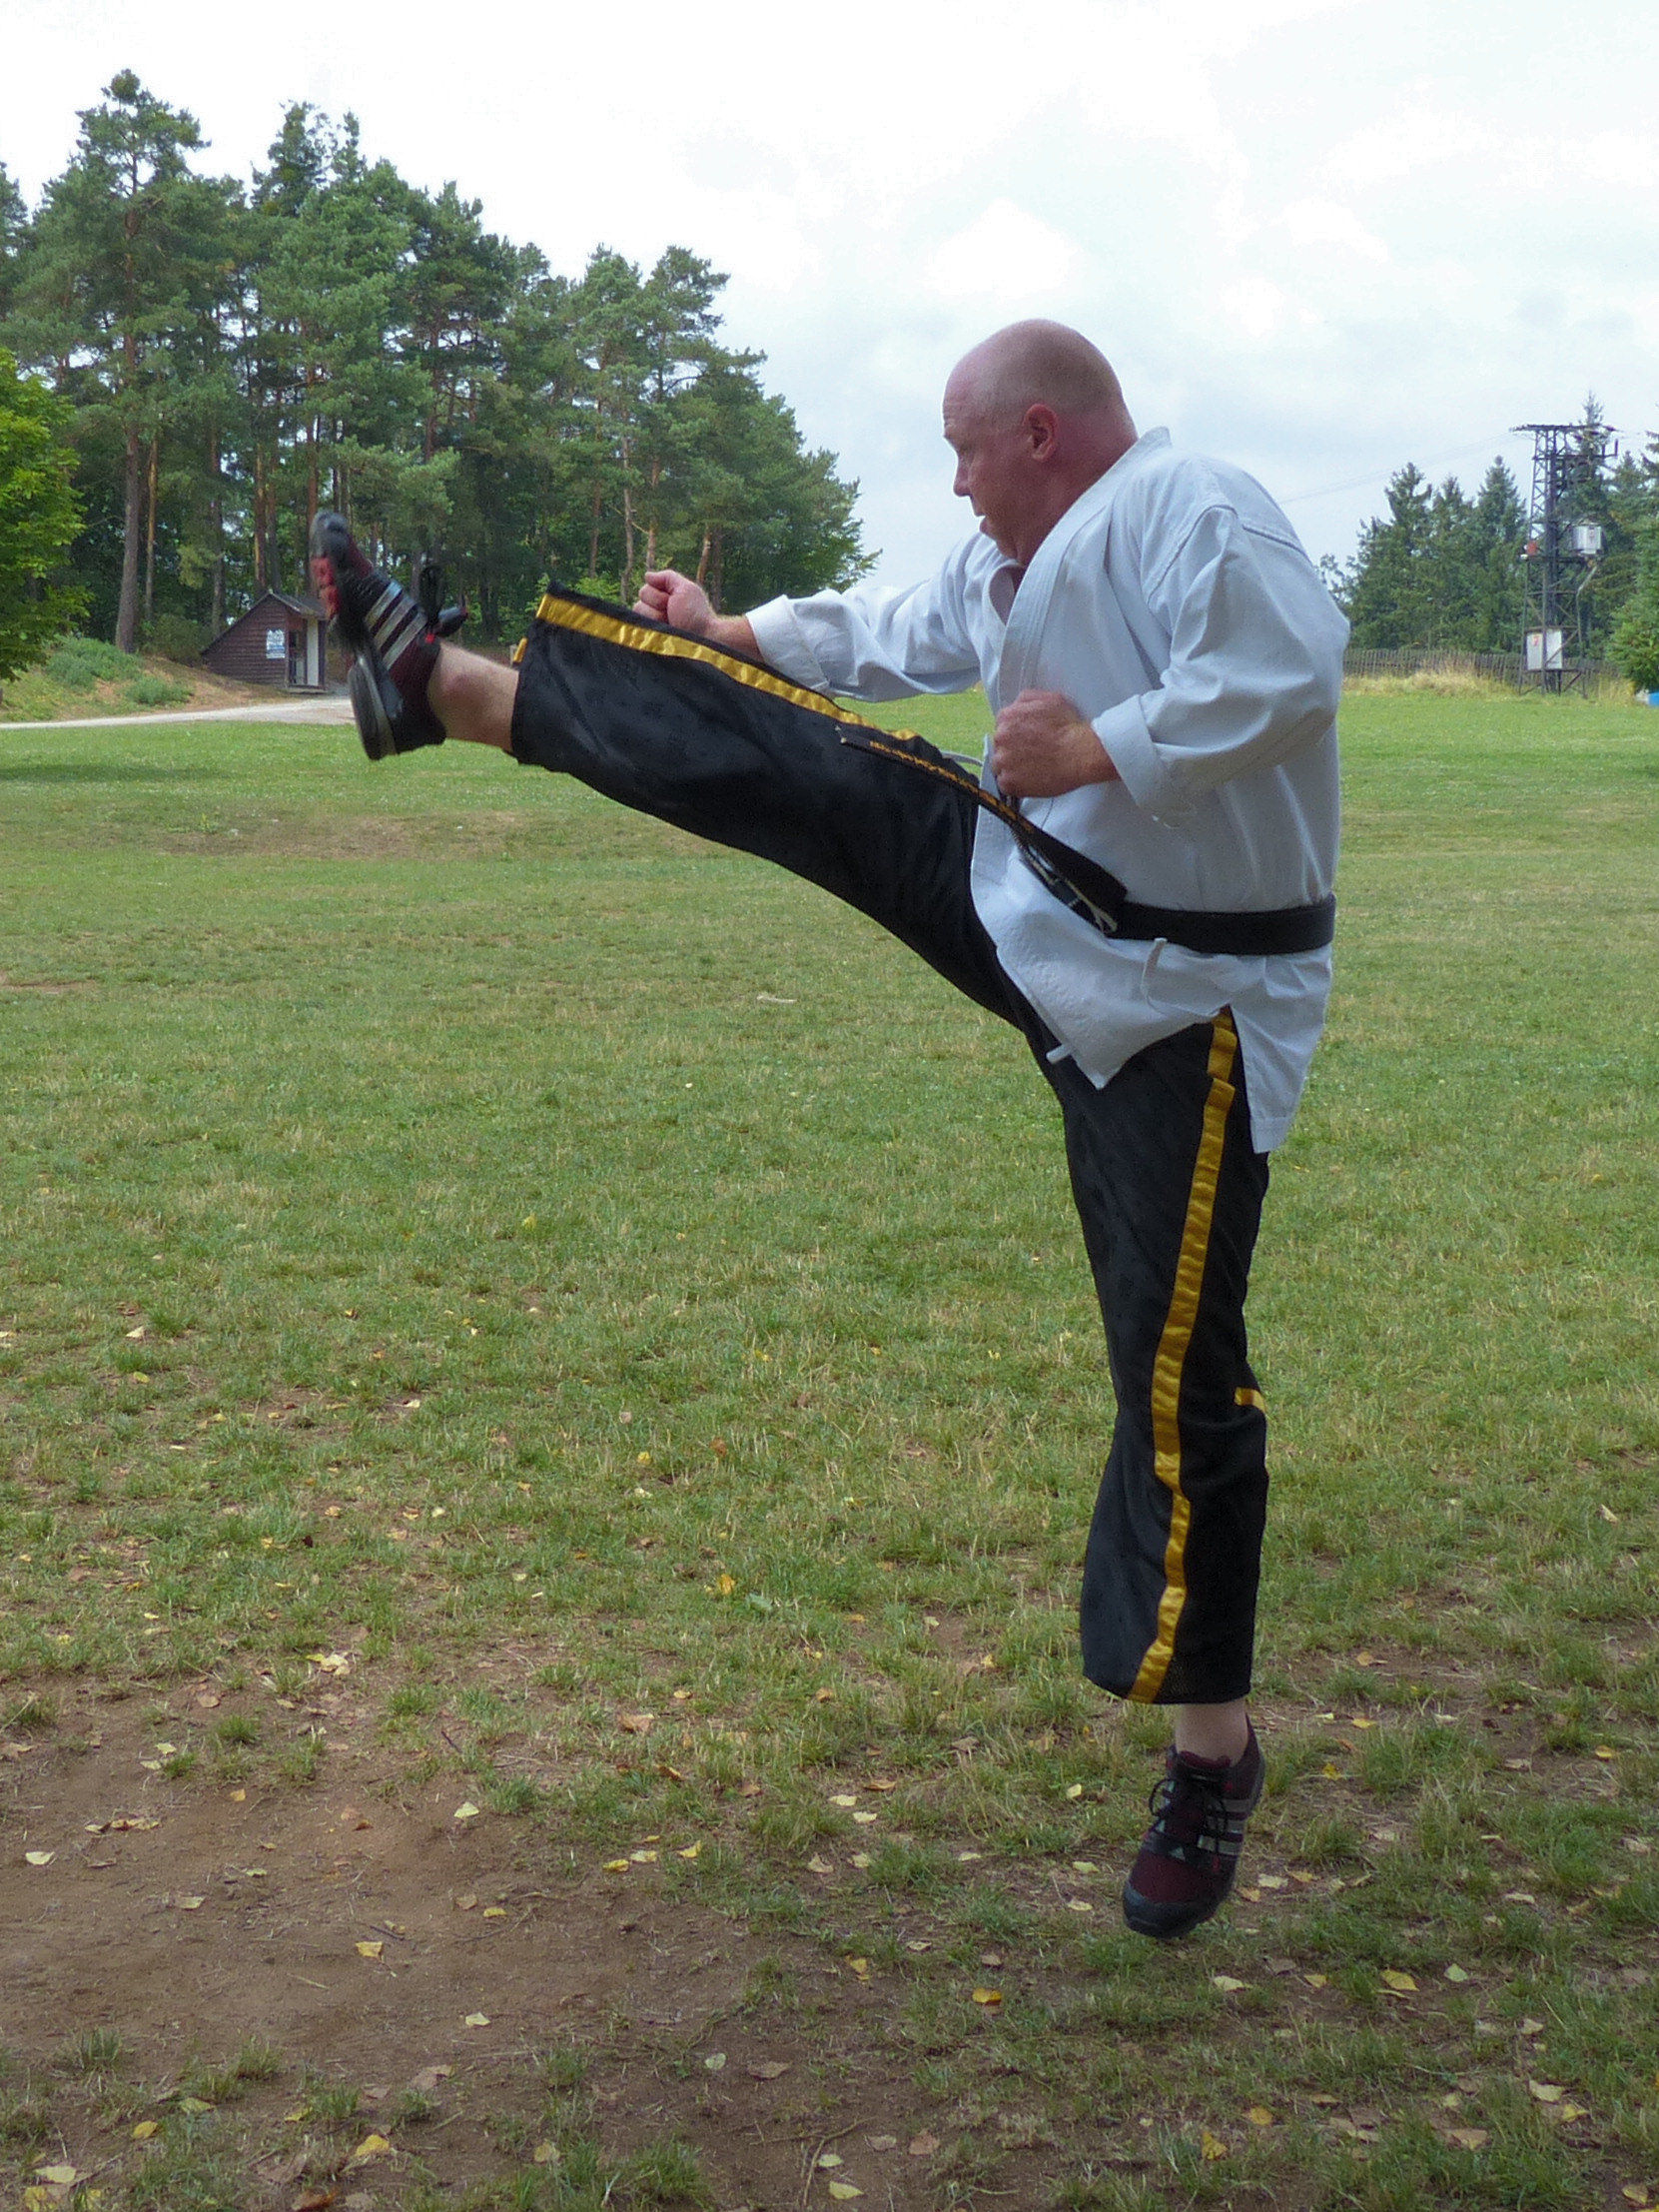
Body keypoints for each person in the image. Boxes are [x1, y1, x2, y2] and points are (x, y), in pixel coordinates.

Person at [310, 319, 1346, 1939]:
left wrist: (1099, 744)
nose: (956, 483)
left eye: (965, 450)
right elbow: (892, 624)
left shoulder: (1193, 506)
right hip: (1035, 899)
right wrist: (731, 629)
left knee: (1171, 1367)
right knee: (813, 766)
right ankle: (439, 685)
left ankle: (1212, 1756)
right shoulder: (1010, 560)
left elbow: (1288, 677)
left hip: (1186, 1005)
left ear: (1042, 433)